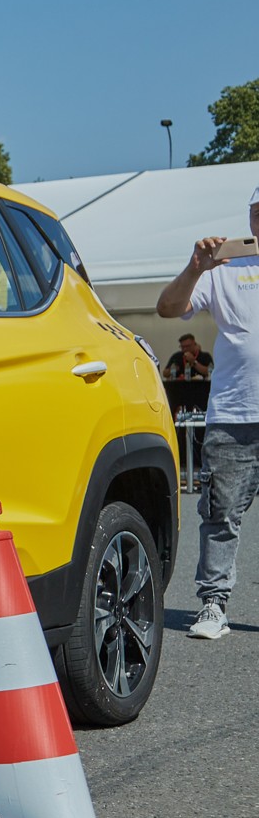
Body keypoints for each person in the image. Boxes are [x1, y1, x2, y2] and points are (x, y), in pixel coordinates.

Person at [155, 186, 259, 641]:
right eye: (258, 212)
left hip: (234, 410)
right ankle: (214, 604)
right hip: (234, 413)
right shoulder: (224, 268)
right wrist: (195, 267)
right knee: (220, 513)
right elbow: (167, 308)